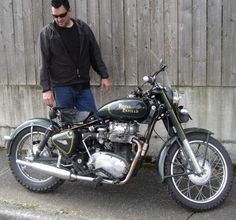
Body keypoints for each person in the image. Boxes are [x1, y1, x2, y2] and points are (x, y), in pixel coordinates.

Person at [39, 0, 110, 114]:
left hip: (83, 87)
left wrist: (104, 75)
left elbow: (94, 53)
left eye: (62, 15)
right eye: (55, 16)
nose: (59, 19)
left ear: (69, 11)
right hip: (62, 88)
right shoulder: (47, 33)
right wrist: (46, 89)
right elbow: (44, 63)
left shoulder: (83, 29)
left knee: (92, 122)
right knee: (68, 127)